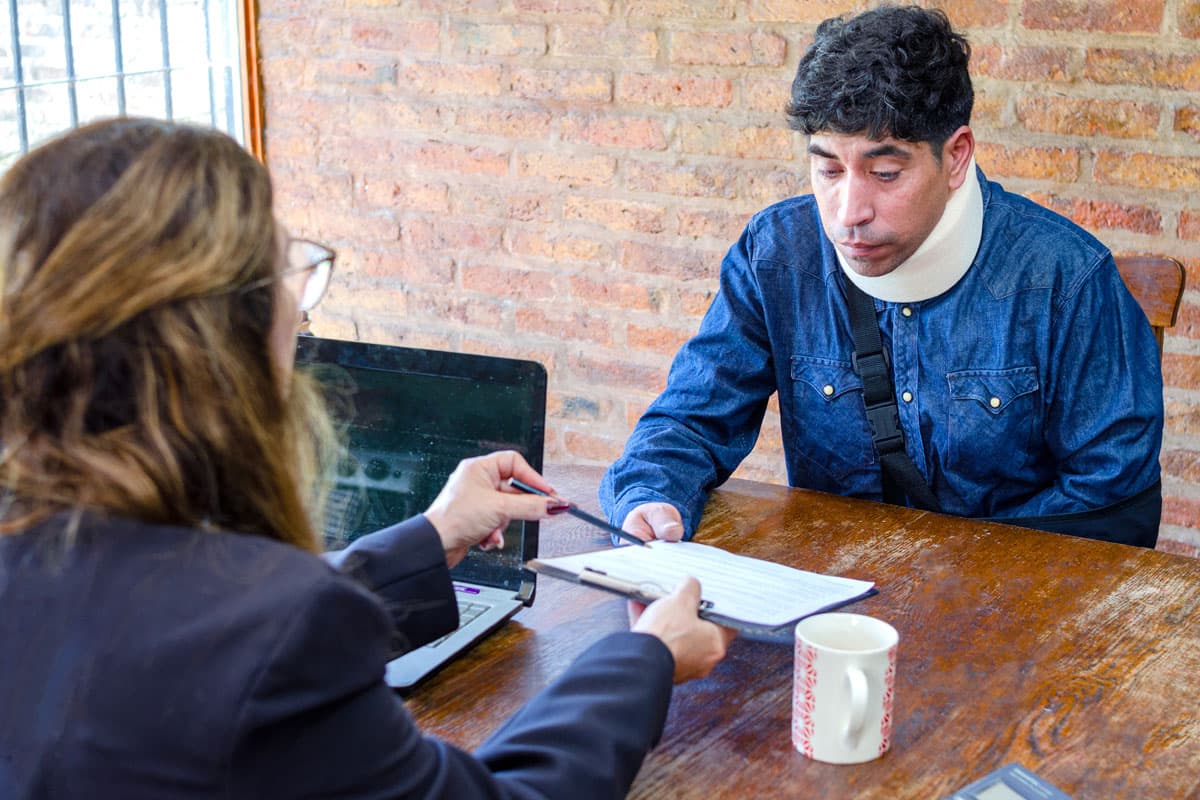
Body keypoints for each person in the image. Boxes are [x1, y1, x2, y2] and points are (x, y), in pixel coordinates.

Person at [0, 118, 733, 799]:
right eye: (285, 270)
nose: (302, 310)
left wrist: (430, 538)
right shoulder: (273, 626)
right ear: (222, 337)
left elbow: (193, 637)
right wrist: (647, 660)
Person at [601, 5, 1163, 548]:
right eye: (827, 169)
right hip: (835, 609)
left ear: (957, 155)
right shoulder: (776, 254)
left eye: (886, 173)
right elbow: (691, 418)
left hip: (1012, 609)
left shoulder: (1065, 277)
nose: (849, 213)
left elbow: (1111, 506)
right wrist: (652, 496)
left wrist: (945, 576)